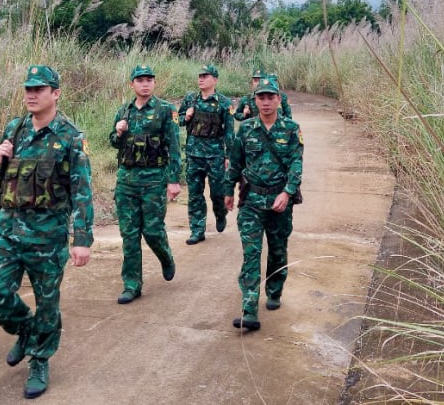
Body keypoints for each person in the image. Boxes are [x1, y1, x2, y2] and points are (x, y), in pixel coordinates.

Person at [0, 65, 94, 399]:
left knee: (47, 302)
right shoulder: (15, 128)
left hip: (47, 237)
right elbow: (1, 175)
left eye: (39, 89)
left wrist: (82, 240)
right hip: (8, 231)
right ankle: (27, 330)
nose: (31, 95)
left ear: (55, 93)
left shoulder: (71, 137)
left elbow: (83, 191)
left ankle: (40, 360)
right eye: (28, 89)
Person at [224, 76, 303, 332]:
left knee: (278, 250)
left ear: (279, 100)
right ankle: (249, 310)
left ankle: (275, 289)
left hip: (280, 202)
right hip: (252, 202)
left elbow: (296, 165)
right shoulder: (246, 129)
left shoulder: (291, 129)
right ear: (255, 100)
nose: (266, 102)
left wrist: (288, 193)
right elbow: (235, 163)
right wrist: (228, 191)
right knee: (251, 253)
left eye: (271, 97)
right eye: (261, 97)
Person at [108, 64, 181, 304]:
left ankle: (165, 256)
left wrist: (173, 180)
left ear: (154, 83)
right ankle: (131, 284)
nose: (145, 83)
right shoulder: (124, 111)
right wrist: (118, 133)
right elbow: (113, 143)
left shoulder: (165, 110)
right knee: (129, 236)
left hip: (153, 180)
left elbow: (174, 147)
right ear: (132, 84)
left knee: (152, 231)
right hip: (126, 181)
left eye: (149, 79)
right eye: (140, 80)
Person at [177, 63, 235, 245]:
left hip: (215, 155)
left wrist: (228, 156)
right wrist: (185, 117)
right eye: (200, 76)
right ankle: (197, 229)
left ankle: (220, 212)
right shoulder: (190, 99)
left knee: (217, 193)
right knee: (195, 194)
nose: (201, 79)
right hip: (194, 155)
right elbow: (176, 120)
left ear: (215, 80)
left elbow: (229, 132)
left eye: (206, 76)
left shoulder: (224, 103)